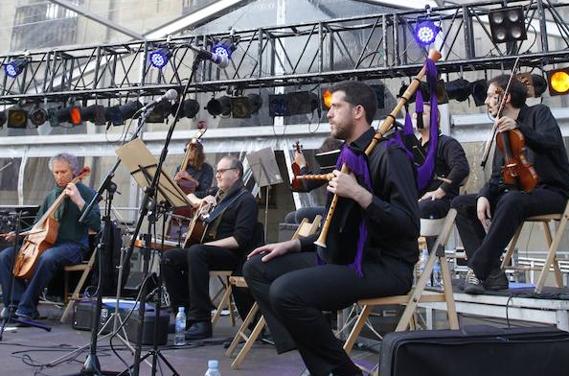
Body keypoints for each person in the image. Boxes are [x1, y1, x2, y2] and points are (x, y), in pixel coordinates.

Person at [243, 81, 419, 376]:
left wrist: (361, 195)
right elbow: (334, 224)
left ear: (358, 111)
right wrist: (295, 244)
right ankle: (318, 348)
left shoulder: (389, 154)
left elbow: (408, 225)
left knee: (286, 292)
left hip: (383, 266)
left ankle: (339, 369)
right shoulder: (347, 156)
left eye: (336, 107)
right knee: (257, 267)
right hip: (342, 256)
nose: (328, 114)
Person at [451, 74, 569, 294]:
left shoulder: (538, 113)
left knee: (511, 198)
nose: (485, 102)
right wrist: (484, 194)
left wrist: (520, 128)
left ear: (504, 98)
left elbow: (551, 142)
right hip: (520, 194)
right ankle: (493, 275)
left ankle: (476, 270)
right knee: (461, 203)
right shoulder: (502, 132)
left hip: (552, 192)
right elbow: (499, 174)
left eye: (489, 96)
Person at [161, 155, 258, 340]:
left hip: (232, 254)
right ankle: (185, 317)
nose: (218, 176)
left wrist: (206, 245)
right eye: (217, 171)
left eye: (222, 171)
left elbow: (239, 240)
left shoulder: (246, 200)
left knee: (197, 251)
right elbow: (187, 196)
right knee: (170, 257)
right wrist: (201, 202)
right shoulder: (217, 194)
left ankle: (202, 321)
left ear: (236, 173)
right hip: (208, 252)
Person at [0, 153, 101, 320]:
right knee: (6, 256)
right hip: (47, 245)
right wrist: (18, 235)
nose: (59, 176)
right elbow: (38, 225)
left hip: (74, 246)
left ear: (74, 172)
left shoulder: (88, 193)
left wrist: (78, 200)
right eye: (56, 172)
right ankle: (14, 305)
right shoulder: (52, 195)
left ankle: (27, 308)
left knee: (48, 257)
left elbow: (97, 225)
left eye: (63, 172)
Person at [412, 101, 469, 249]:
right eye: (415, 112)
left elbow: (461, 168)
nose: (416, 115)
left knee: (421, 208)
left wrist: (440, 191)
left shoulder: (447, 143)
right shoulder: (412, 147)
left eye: (422, 113)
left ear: (435, 118)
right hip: (419, 200)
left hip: (441, 201)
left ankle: (428, 260)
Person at [285, 136, 343, 224]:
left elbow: (308, 184)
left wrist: (302, 166)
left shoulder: (339, 167)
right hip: (330, 207)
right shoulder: (328, 168)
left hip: (338, 210)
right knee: (290, 217)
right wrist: (300, 168)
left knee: (301, 214)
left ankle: (306, 238)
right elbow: (308, 186)